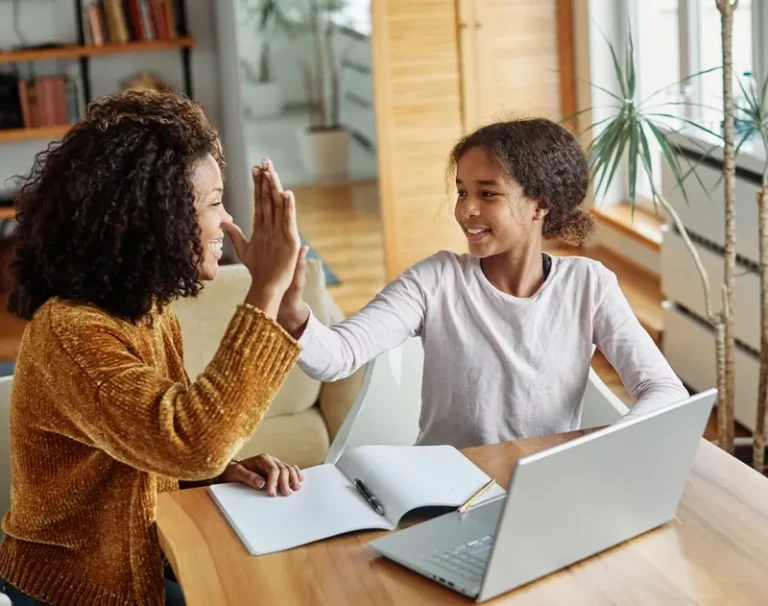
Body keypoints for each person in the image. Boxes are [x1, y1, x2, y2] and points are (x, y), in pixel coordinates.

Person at [0, 90, 308, 606]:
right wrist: (265, 292)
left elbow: (161, 443)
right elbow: (192, 439)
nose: (226, 220)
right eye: (213, 203)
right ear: (158, 220)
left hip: (143, 567)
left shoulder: (147, 308)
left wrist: (215, 471)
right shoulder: (72, 332)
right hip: (71, 592)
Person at [275, 118, 688, 449]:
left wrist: (603, 445)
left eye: (487, 194)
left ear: (540, 204)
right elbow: (337, 357)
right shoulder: (435, 280)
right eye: (461, 192)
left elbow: (663, 388)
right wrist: (290, 308)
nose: (466, 210)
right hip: (448, 494)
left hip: (542, 493)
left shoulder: (588, 285)